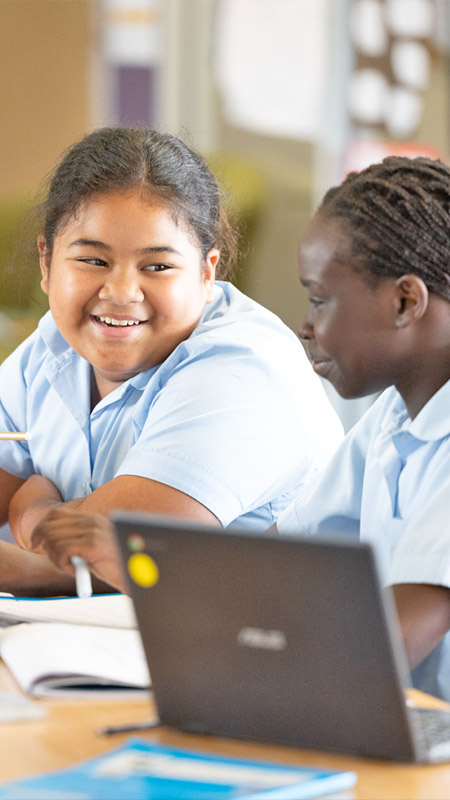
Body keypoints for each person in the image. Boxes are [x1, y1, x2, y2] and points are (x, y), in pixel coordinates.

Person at [1, 126, 343, 595]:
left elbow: (85, 558)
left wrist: (32, 508)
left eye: (157, 266)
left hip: (254, 655)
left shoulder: (242, 370)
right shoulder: (51, 349)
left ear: (207, 273)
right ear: (47, 262)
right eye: (93, 261)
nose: (120, 293)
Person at [273, 155, 450, 701]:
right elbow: (282, 561)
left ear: (404, 301)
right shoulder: (394, 418)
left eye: (319, 300)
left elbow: (390, 639)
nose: (305, 326)